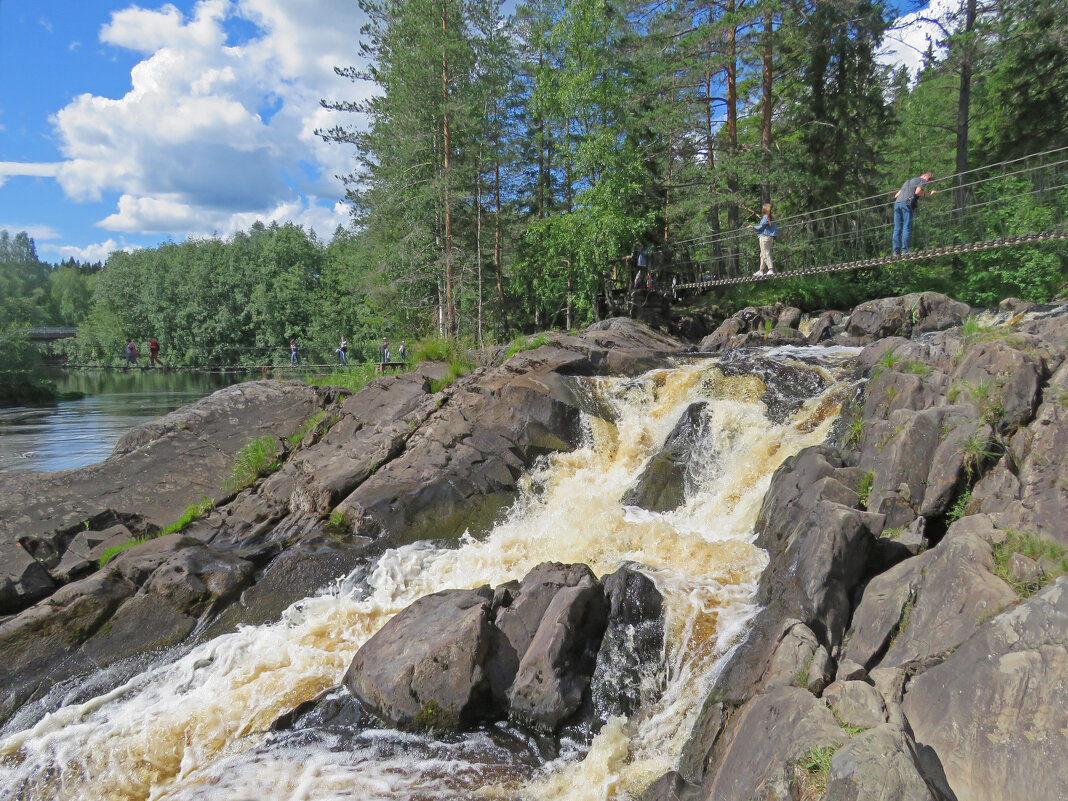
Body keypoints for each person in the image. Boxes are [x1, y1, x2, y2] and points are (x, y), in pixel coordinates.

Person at [892, 172, 936, 255]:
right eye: (929, 179)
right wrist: (929, 194)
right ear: (926, 176)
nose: (928, 182)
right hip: (906, 204)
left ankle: (895, 251)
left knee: (897, 228)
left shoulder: (907, 181)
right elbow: (917, 192)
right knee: (906, 227)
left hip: (897, 204)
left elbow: (896, 195)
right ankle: (904, 250)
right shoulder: (922, 180)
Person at [750, 203, 778, 276]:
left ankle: (770, 269)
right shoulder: (772, 217)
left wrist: (753, 227)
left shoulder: (765, 217)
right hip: (770, 237)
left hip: (764, 237)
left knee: (765, 253)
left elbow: (761, 227)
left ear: (764, 209)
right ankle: (761, 270)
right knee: (763, 253)